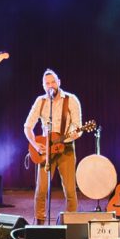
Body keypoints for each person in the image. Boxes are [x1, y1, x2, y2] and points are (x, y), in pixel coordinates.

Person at [24, 69, 83, 224]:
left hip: (66, 148)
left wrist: (72, 134)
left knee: (70, 190)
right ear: (44, 86)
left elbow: (77, 125)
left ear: (59, 82)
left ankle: (70, 224)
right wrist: (35, 145)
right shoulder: (41, 101)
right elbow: (28, 126)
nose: (51, 85)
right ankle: (39, 223)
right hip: (46, 150)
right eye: (47, 83)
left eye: (53, 82)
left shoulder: (71, 100)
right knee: (41, 189)